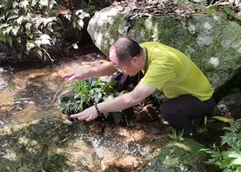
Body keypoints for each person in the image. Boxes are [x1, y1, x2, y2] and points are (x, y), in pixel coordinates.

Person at [62, 37, 215, 138]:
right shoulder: (143, 50)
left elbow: (134, 98)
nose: (118, 68)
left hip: (201, 100)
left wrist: (97, 109)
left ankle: (190, 134)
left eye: (120, 66)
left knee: (167, 110)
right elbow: (113, 67)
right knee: (122, 76)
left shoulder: (162, 64)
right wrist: (86, 73)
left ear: (134, 60)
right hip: (184, 92)